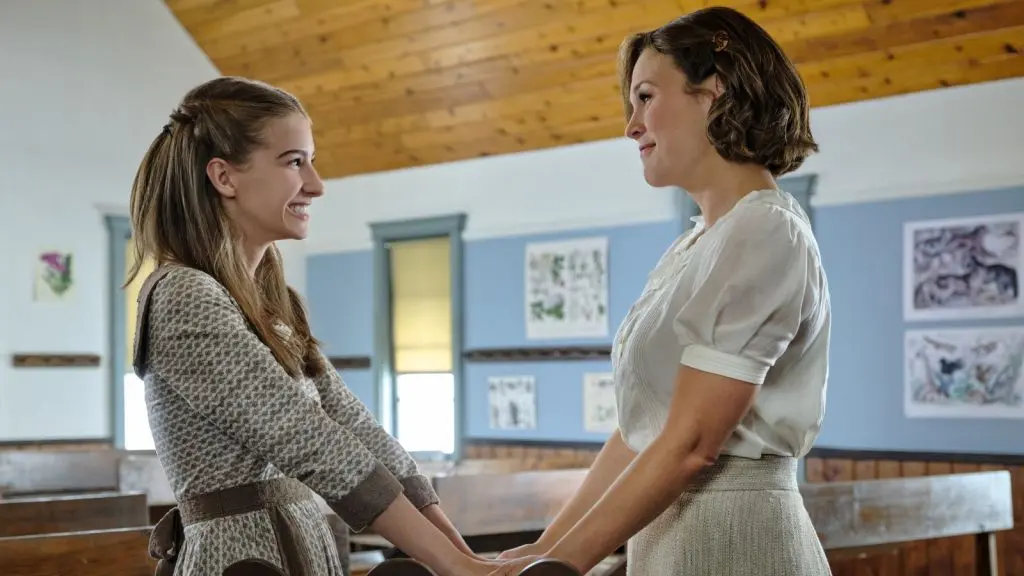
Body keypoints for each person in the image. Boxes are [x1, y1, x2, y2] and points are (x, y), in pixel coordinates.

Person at [493, 7, 831, 576]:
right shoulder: (694, 246)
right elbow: (640, 433)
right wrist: (543, 552)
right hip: (669, 543)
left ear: (715, 92)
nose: (631, 125)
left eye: (646, 97)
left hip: (736, 541)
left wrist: (566, 565)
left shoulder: (766, 229)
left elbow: (693, 442)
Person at [128, 76, 500, 576]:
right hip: (241, 560)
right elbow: (308, 441)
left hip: (302, 544)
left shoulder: (274, 302)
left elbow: (353, 427)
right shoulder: (184, 295)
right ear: (224, 176)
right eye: (294, 162)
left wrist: (464, 558)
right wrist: (454, 565)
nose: (316, 184)